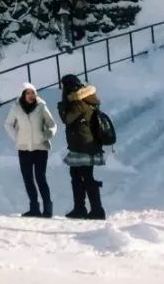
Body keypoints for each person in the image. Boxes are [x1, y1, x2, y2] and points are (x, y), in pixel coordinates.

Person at [4, 82, 58, 218]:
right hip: (23, 149)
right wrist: (17, 137)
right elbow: (8, 124)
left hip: (40, 148)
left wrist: (47, 134)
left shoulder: (41, 106)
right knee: (28, 179)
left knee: (41, 178)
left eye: (33, 93)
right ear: (23, 95)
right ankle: (34, 208)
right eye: (28, 93)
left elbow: (52, 124)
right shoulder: (16, 108)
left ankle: (47, 209)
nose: (31, 96)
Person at [57, 74, 105, 220]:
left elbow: (67, 119)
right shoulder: (85, 98)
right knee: (77, 176)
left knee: (85, 177)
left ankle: (96, 210)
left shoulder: (78, 101)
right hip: (84, 145)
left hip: (83, 145)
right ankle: (81, 208)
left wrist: (61, 106)